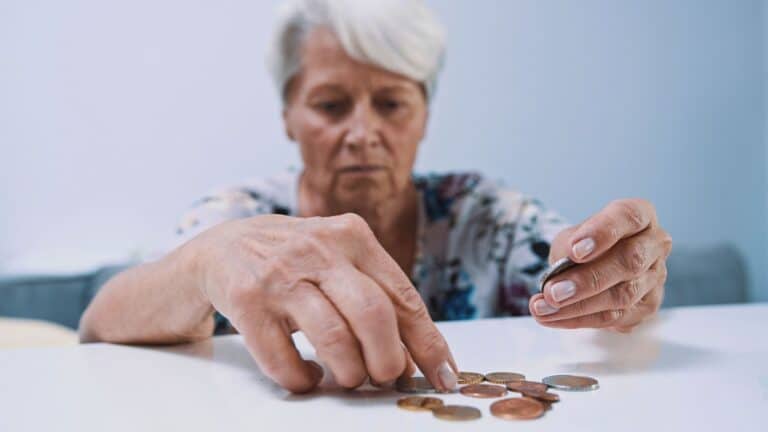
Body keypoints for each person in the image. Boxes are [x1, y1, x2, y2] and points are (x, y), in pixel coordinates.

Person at [79, 0, 673, 394]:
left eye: (391, 104)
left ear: (424, 116)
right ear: (288, 116)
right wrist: (201, 264)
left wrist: (618, 272)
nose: (363, 133)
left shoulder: (485, 215)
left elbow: (573, 262)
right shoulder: (235, 220)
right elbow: (97, 328)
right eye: (331, 105)